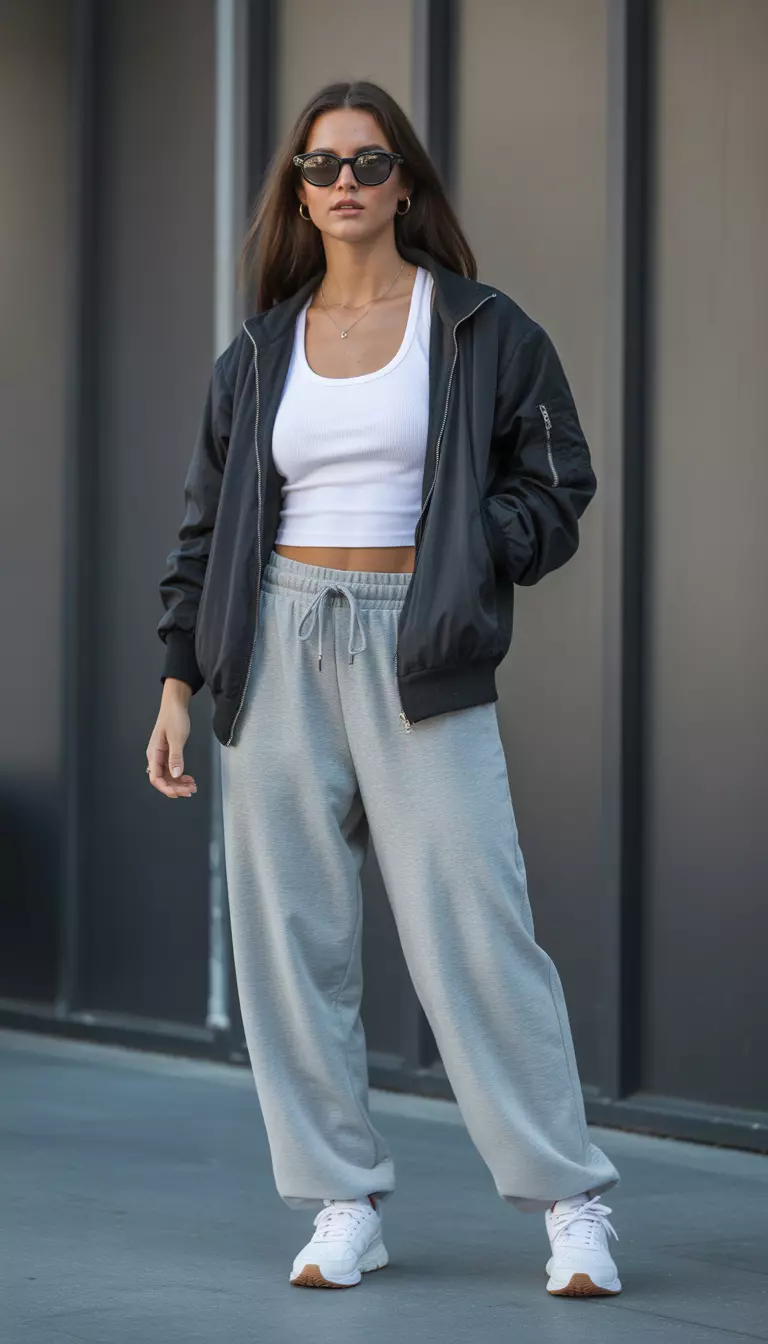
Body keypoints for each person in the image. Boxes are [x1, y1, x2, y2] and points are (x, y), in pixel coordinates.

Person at [147, 79, 622, 1296]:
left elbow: (559, 477)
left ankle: (571, 1202)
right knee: (290, 935)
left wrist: (474, 556)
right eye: (319, 166)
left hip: (420, 645)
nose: (343, 182)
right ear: (297, 194)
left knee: (478, 925)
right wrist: (178, 680)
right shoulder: (259, 352)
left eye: (367, 161)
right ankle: (339, 1199)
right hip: (274, 640)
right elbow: (205, 533)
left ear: (405, 181)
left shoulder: (477, 327)